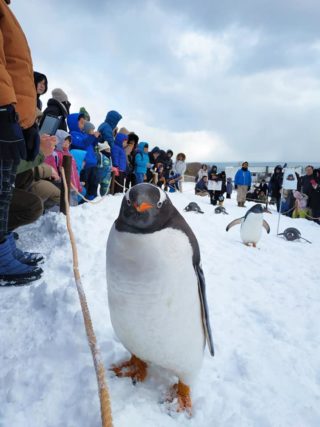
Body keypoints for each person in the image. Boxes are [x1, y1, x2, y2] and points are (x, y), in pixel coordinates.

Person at [0, 0, 43, 285]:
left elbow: (16, 66)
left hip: (16, 112)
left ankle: (3, 245)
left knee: (4, 191)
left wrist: (27, 123)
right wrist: (4, 108)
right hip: (5, 110)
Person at [68, 113, 100, 199]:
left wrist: (96, 137)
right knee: (85, 183)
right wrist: (92, 136)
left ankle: (92, 198)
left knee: (94, 182)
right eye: (81, 123)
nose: (83, 125)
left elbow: (93, 143)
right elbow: (82, 144)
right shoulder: (72, 135)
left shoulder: (84, 135)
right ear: (75, 123)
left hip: (92, 163)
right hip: (84, 165)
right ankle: (84, 200)